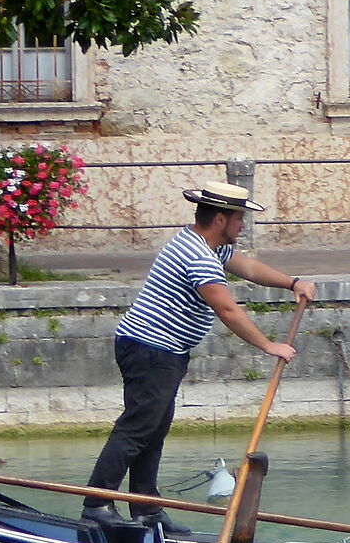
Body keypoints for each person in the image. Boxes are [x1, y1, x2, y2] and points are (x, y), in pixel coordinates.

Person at [86, 181, 315, 516]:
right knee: (138, 428)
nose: (242, 225)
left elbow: (249, 268)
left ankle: (146, 508)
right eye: (239, 218)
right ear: (220, 219)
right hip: (150, 349)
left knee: (153, 429)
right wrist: (269, 346)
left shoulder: (207, 246)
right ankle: (97, 503)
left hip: (162, 350)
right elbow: (227, 310)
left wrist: (293, 283)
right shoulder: (199, 256)